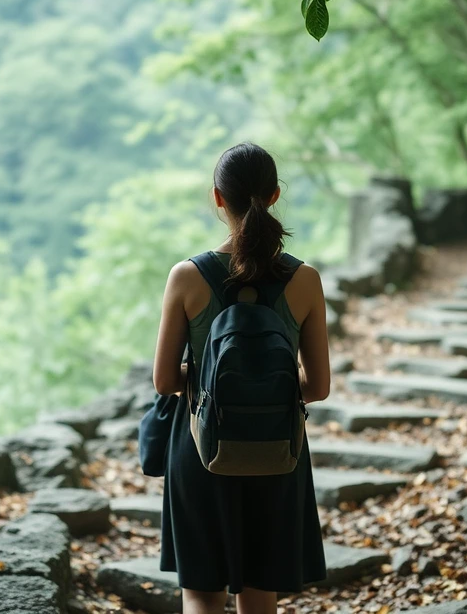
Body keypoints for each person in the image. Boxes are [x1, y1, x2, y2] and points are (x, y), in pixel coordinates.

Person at [152, 142, 330, 614]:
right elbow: (318, 387)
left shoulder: (187, 277)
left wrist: (210, 377)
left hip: (200, 447)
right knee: (258, 595)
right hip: (277, 450)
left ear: (217, 198)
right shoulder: (305, 279)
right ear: (274, 196)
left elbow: (165, 380)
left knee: (202, 595)